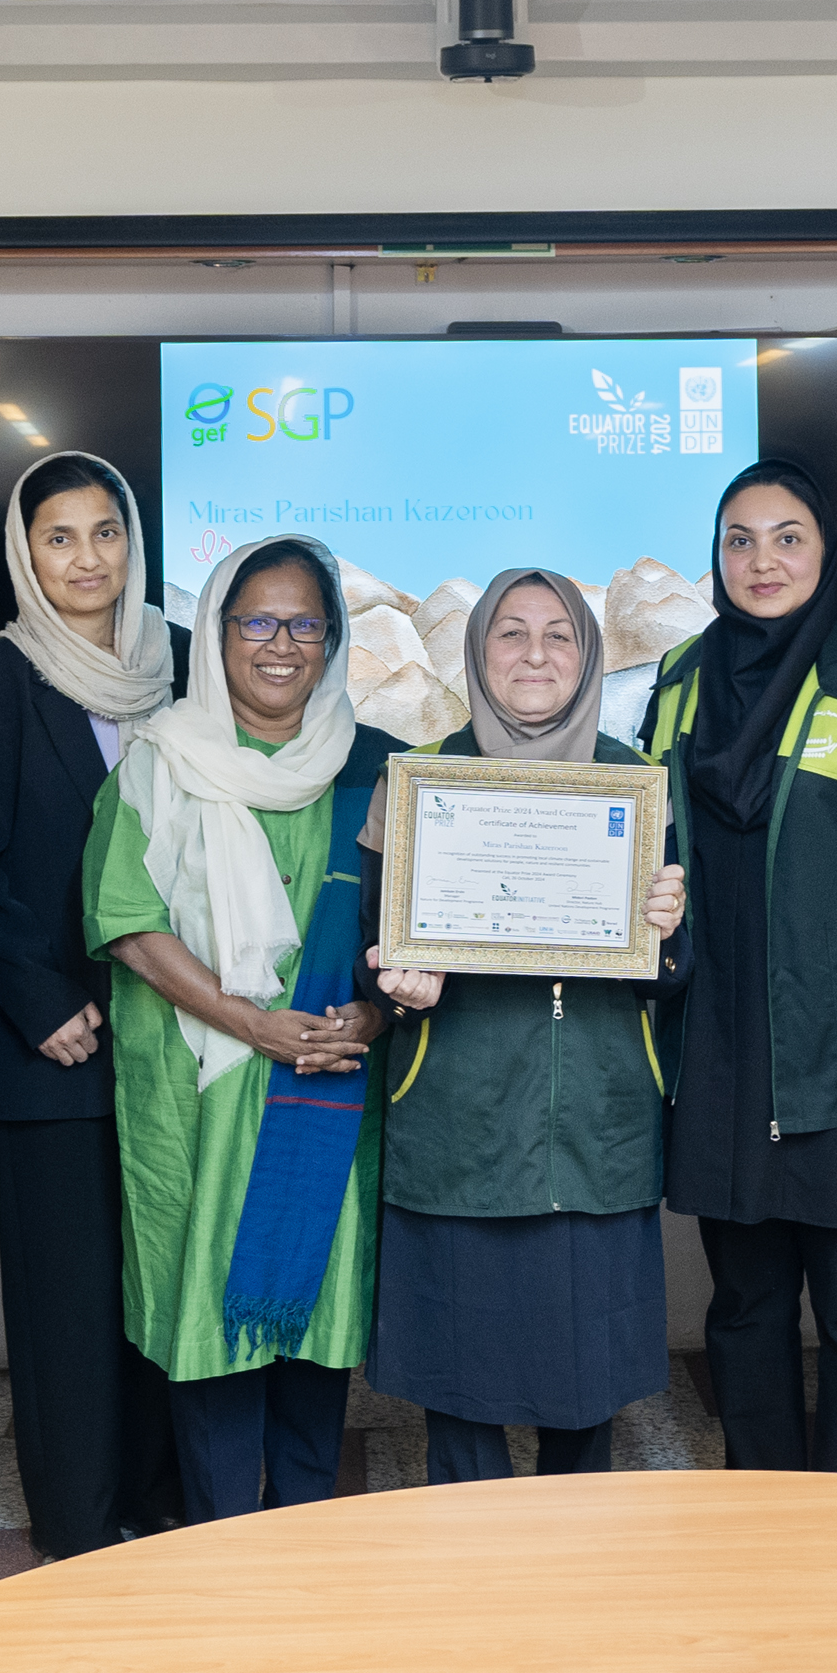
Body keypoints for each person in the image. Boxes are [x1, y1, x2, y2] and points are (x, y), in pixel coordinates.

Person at [644, 460, 837, 1478]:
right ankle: (761, 1523)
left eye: (788, 537)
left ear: (826, 554)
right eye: (740, 539)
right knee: (742, 1314)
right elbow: (650, 845)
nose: (762, 560)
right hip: (723, 1059)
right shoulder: (682, 682)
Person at [87, 536, 396, 1519]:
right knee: (209, 1309)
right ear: (216, 632)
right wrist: (252, 1024)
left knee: (311, 1308)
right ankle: (218, 1546)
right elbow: (127, 925)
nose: (281, 644)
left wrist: (376, 1014)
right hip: (203, 1089)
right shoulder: (160, 763)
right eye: (255, 620)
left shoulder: (379, 767)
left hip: (333, 1081)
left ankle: (306, 1538)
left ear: (334, 639)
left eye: (306, 623)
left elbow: (423, 921)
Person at [366, 571, 689, 1482]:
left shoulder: (635, 783)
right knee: (460, 1396)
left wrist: (667, 933)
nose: (536, 654)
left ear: (589, 657)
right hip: (458, 1126)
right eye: (510, 633)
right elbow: (373, 957)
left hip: (596, 1132)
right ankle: (471, 1600)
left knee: (583, 1394)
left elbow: (676, 972)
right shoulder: (422, 781)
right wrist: (402, 987)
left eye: (559, 635)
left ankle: (573, 1596)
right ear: (476, 654)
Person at [0, 452, 187, 1558]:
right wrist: (36, 1000)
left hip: (178, 1021)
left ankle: (154, 1489)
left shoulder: (181, 664)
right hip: (60, 1033)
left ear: (135, 544)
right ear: (24, 551)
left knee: (161, 1267)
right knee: (70, 1294)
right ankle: (79, 1520)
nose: (86, 559)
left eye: (105, 533)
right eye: (59, 536)